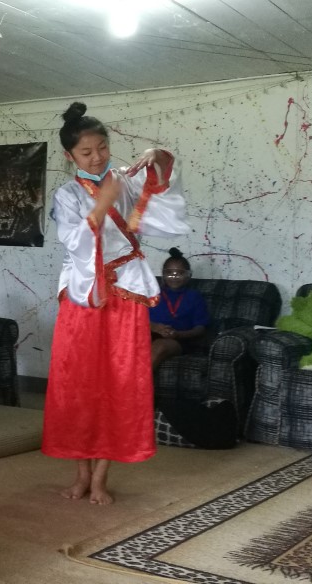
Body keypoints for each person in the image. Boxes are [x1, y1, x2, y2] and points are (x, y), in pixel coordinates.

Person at [42, 102, 190, 505]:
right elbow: (74, 242)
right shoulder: (66, 194)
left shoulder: (124, 180)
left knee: (120, 382)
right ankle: (80, 474)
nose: (97, 157)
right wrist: (101, 206)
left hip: (126, 290)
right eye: (86, 152)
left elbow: (163, 182)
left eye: (102, 148)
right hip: (83, 291)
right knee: (78, 383)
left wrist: (156, 156)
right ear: (69, 156)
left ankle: (101, 478)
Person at [149, 247, 209, 367]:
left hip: (178, 340)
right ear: (163, 274)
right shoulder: (153, 294)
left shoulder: (194, 296)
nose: (174, 277)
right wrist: (155, 327)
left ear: (188, 275)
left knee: (160, 346)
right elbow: (137, 321)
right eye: (169, 273)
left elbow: (200, 329)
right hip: (149, 335)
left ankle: (135, 379)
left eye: (180, 273)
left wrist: (178, 334)